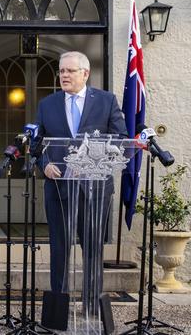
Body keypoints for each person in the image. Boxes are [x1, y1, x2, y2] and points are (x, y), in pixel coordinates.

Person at [34, 51, 127, 303]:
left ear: (85, 73)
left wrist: (93, 163)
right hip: (58, 189)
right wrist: (45, 165)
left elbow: (120, 140)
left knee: (92, 248)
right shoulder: (47, 104)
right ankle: (59, 311)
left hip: (94, 188)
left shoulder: (106, 101)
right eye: (61, 71)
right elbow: (36, 143)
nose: (64, 75)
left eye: (70, 71)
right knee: (59, 249)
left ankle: (91, 306)